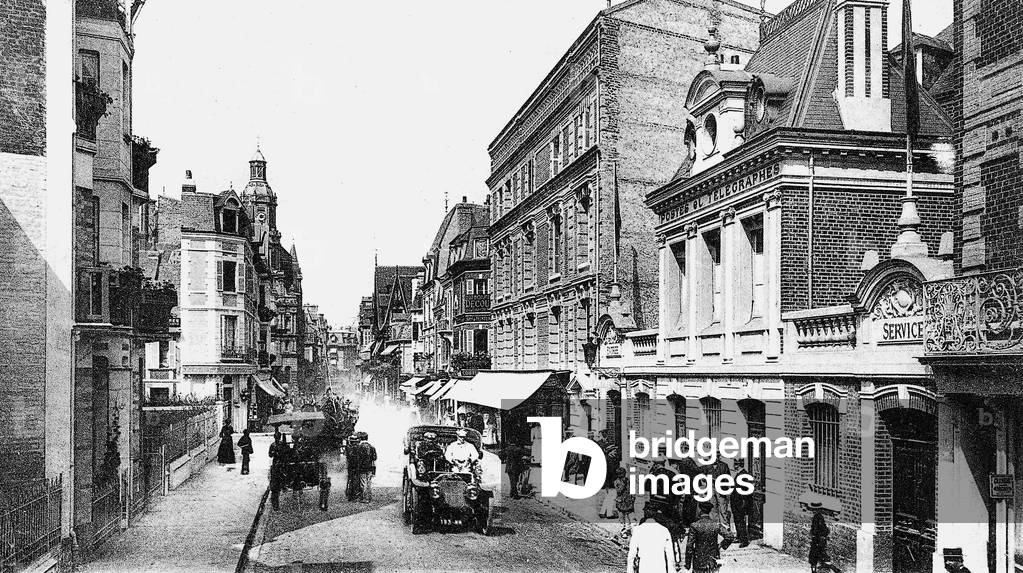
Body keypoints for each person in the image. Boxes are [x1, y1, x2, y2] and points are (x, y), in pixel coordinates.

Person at [627, 504, 676, 573]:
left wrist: (630, 570)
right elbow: (670, 555)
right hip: (660, 566)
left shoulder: (638, 530)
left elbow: (632, 554)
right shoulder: (664, 530)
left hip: (644, 567)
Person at [685, 501, 725, 573]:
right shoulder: (715, 525)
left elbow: (689, 545)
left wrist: (687, 564)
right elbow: (730, 536)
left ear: (700, 511)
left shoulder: (694, 526)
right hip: (713, 560)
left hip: (699, 561)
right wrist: (720, 545)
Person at [730, 464, 756, 547]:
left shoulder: (743, 475)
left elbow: (745, 491)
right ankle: (739, 537)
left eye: (736, 464)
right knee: (737, 520)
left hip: (740, 502)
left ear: (738, 466)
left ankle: (744, 540)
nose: (735, 466)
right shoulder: (739, 474)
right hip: (736, 501)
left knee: (741, 521)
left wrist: (743, 502)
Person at [808, 502, 831, 573]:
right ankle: (817, 569)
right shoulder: (818, 517)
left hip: (818, 541)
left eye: (814, 509)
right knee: (818, 555)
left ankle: (817, 570)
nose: (813, 511)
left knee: (815, 555)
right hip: (818, 540)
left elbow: (821, 529)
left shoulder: (817, 517)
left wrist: (816, 535)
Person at [614, 467, 635, 537]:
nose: (623, 476)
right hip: (621, 501)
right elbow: (619, 491)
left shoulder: (628, 480)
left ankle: (630, 530)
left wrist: (633, 497)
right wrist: (623, 483)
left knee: (630, 516)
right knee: (621, 517)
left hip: (628, 500)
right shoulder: (617, 482)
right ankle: (623, 531)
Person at [357, 432, 377, 502]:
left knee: (363, 483)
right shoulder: (372, 447)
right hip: (370, 467)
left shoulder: (359, 447)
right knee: (369, 483)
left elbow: (358, 458)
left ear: (360, 438)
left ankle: (365, 498)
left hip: (362, 467)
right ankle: (369, 497)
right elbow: (375, 458)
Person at [344, 434, 362, 501]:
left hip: (350, 466)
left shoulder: (348, 448)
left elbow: (347, 457)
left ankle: (350, 495)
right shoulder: (358, 447)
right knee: (356, 480)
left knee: (350, 480)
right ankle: (355, 494)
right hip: (357, 466)